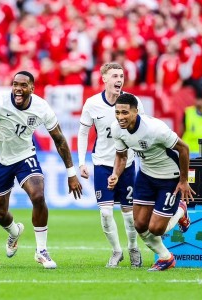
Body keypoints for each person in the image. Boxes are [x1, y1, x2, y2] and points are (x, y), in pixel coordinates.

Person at [0, 71, 83, 269]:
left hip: (25, 156)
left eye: (23, 85)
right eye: (15, 84)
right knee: (0, 214)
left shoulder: (41, 107)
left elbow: (59, 139)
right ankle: (14, 232)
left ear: (31, 88)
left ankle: (41, 251)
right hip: (0, 160)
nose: (18, 88)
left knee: (38, 195)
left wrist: (71, 173)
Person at [108, 93, 194, 271]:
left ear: (135, 112)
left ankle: (181, 210)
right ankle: (166, 258)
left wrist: (184, 180)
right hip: (146, 176)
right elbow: (122, 156)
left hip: (169, 177)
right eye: (117, 113)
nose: (120, 117)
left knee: (156, 229)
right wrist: (116, 173)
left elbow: (184, 149)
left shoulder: (155, 129)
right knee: (139, 224)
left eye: (125, 113)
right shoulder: (116, 129)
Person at [77, 62, 145, 268]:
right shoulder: (92, 103)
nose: (119, 80)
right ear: (104, 78)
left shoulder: (133, 102)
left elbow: (144, 128)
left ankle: (133, 247)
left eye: (121, 76)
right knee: (106, 213)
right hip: (103, 164)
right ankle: (117, 251)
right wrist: (81, 162)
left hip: (128, 164)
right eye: (114, 76)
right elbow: (83, 133)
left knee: (129, 213)